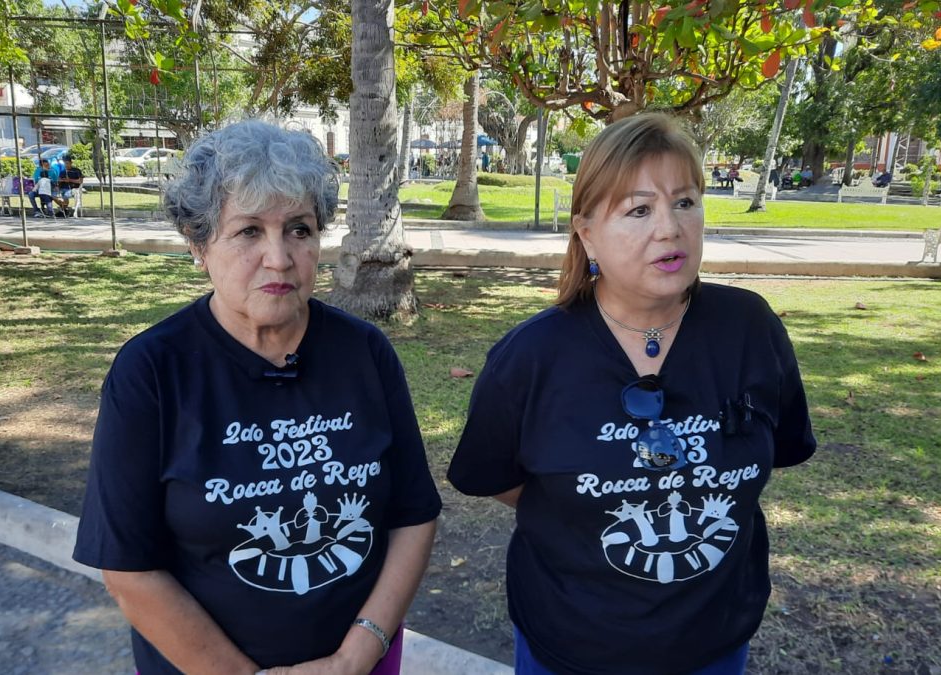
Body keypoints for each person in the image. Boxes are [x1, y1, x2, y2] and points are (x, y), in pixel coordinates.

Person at [447, 113, 816, 675]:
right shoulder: (530, 357)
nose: (669, 229)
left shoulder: (751, 328)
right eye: (639, 209)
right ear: (586, 231)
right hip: (570, 647)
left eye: (685, 202)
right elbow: (494, 478)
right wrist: (580, 510)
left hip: (713, 643)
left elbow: (777, 450)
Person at [73, 120, 441, 675]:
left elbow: (413, 515)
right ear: (200, 246)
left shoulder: (364, 352)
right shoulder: (151, 371)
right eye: (248, 231)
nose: (279, 257)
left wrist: (358, 653)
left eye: (299, 229)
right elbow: (128, 567)